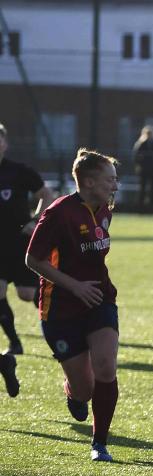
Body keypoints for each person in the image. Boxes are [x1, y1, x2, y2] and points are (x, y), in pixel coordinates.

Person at [25, 148, 122, 462]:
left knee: (106, 364)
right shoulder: (59, 213)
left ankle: (100, 443)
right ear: (90, 182)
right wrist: (75, 286)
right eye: (110, 180)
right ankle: (72, 390)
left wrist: (88, 288)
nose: (115, 186)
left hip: (100, 298)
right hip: (60, 308)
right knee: (85, 390)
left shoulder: (105, 209)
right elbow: (33, 259)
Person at [0, 123, 55, 373]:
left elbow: (46, 194)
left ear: (5, 143)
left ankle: (60, 325)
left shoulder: (18, 171)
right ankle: (15, 342)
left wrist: (35, 220)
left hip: (20, 242)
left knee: (25, 293)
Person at [132, 125, 153, 209]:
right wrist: (139, 165)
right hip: (143, 169)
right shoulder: (141, 144)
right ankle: (140, 207)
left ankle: (152, 206)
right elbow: (136, 156)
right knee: (142, 188)